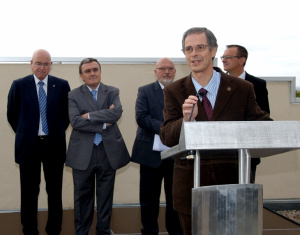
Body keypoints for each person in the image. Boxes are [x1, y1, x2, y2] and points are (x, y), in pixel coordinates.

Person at [159, 27, 272, 235]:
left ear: (213, 51)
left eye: (200, 47)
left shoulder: (242, 88)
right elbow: (166, 135)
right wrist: (185, 120)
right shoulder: (174, 91)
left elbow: (262, 124)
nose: (194, 54)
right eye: (188, 49)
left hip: (233, 184)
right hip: (190, 188)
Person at [7, 49, 70, 235]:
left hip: (54, 146)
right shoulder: (19, 85)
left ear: (51, 65)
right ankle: (29, 230)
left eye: (46, 63)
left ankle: (54, 229)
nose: (42, 67)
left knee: (54, 192)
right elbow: (12, 115)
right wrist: (26, 132)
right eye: (38, 63)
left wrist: (54, 132)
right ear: (31, 63)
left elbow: (66, 116)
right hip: (29, 146)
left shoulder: (61, 85)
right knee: (29, 193)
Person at [66, 58, 130, 235]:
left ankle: (103, 231)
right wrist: (103, 123)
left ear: (100, 71)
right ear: (81, 75)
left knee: (105, 197)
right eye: (87, 71)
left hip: (107, 151)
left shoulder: (112, 91)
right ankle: (82, 232)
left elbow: (116, 112)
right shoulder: (73, 95)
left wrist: (88, 116)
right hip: (82, 153)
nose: (92, 73)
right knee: (82, 198)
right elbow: (75, 121)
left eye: (95, 69)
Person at [131, 58, 183, 235]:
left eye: (170, 68)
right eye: (162, 68)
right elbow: (141, 117)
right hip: (150, 154)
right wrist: (168, 128)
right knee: (148, 199)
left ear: (175, 71)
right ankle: (149, 231)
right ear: (156, 72)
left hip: (176, 154)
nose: (166, 72)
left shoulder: (183, 91)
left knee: (174, 198)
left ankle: (175, 231)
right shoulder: (145, 91)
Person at [221, 44, 270, 181]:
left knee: (246, 194)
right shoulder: (217, 83)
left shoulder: (257, 85)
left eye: (228, 57)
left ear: (242, 60)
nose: (224, 60)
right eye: (223, 57)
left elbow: (263, 115)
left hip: (248, 152)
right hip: (221, 151)